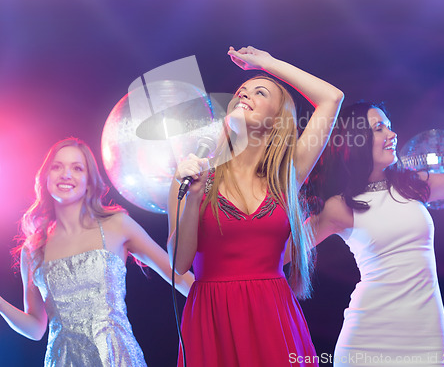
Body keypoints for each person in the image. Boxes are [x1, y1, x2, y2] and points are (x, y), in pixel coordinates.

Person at [307, 57, 444, 367]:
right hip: (367, 339)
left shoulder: (414, 184)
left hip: (427, 334)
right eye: (379, 128)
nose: (392, 134)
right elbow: (281, 251)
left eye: (389, 125)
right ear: (357, 142)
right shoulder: (339, 206)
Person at [167, 46, 344, 367]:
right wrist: (192, 196)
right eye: (240, 92)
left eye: (259, 92)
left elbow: (332, 98)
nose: (244, 94)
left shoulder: (287, 175)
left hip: (272, 314)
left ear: (277, 121)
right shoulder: (193, 174)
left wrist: (267, 64)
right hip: (212, 318)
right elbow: (179, 265)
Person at [0, 137, 194, 366]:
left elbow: (179, 277)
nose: (66, 174)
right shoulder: (33, 250)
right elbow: (35, 328)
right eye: (57, 166)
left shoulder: (117, 224)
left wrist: (223, 305)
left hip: (117, 358)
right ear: (45, 178)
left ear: (89, 182)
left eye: (77, 168)